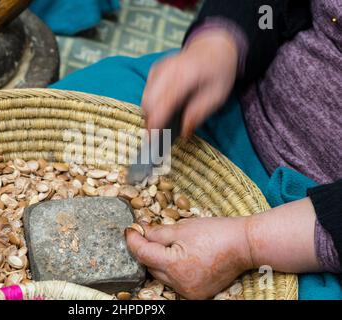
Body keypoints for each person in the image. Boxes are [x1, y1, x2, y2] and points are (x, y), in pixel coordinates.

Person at [122, 0, 342, 299]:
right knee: (106, 89)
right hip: (233, 99)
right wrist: (223, 41)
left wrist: (249, 243)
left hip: (310, 231)